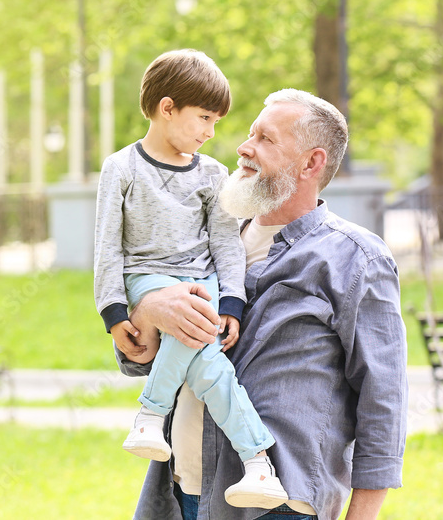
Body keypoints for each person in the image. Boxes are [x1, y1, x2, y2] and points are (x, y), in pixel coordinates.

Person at [118, 89, 408, 520]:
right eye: (251, 133)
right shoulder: (206, 241)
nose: (243, 147)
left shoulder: (355, 258)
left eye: (266, 139)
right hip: (179, 494)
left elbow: (383, 402)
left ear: (311, 163)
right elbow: (139, 359)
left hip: (279, 504)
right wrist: (148, 313)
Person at [94, 49, 288, 510]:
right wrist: (115, 312)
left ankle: (150, 414)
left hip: (202, 282)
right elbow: (107, 247)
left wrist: (231, 304)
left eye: (216, 122)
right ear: (167, 109)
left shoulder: (212, 174)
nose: (210, 132)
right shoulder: (121, 169)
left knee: (205, 358)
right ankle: (257, 459)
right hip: (145, 278)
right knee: (199, 344)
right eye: (203, 117)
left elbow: (226, 245)